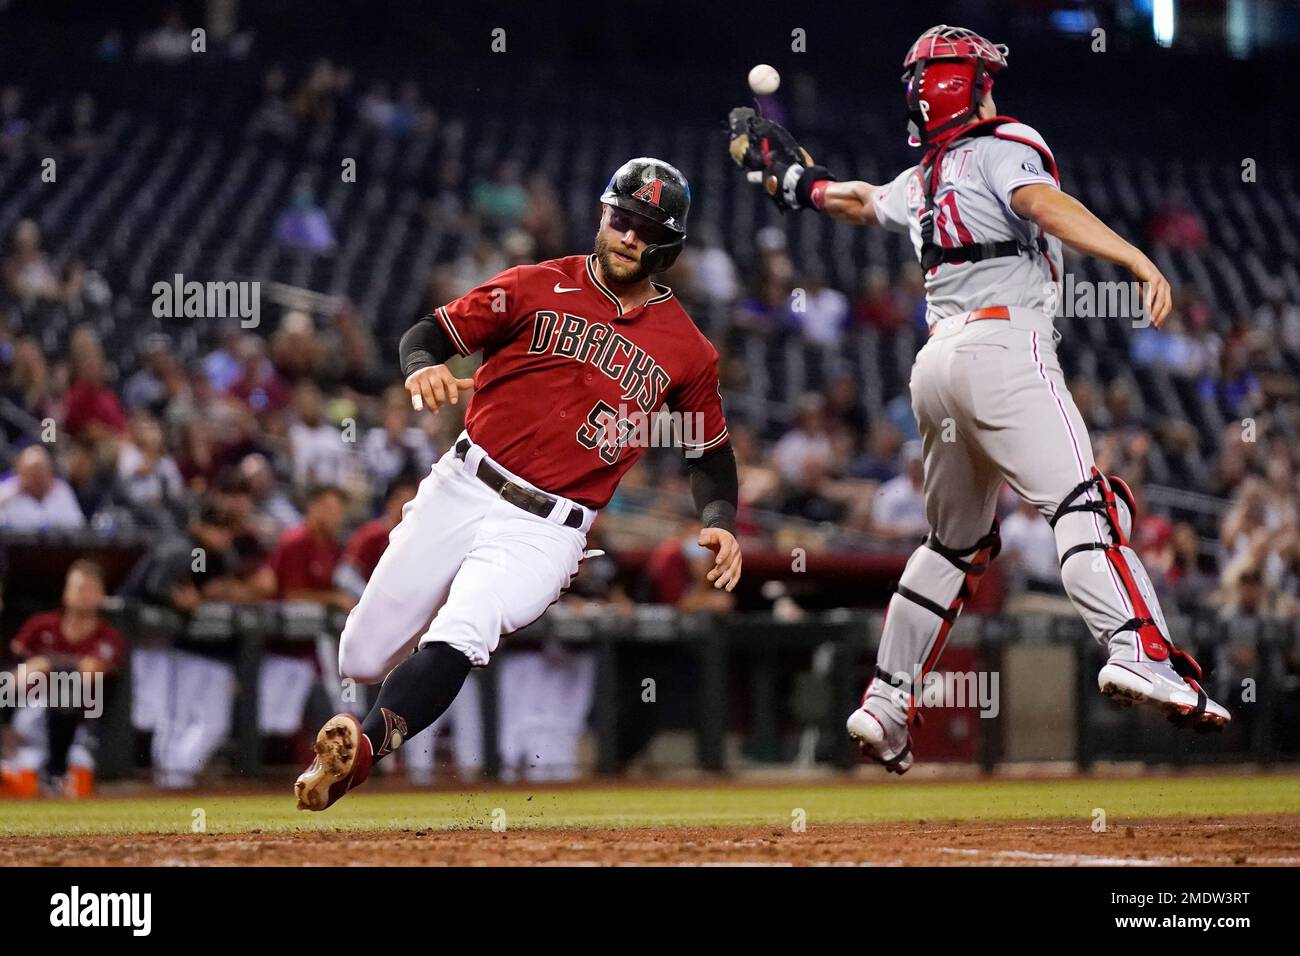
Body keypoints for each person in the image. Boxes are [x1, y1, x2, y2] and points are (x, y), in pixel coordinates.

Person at [727, 24, 1228, 774]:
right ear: (974, 85)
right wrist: (1132, 256)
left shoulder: (925, 177)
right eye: (984, 76)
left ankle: (888, 701)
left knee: (952, 545)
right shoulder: (1007, 143)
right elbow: (1042, 204)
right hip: (1006, 348)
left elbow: (858, 200)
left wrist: (796, 184)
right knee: (1086, 507)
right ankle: (1138, 650)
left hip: (936, 368)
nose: (993, 85)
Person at [295, 157, 742, 810]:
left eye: (647, 229)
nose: (629, 236)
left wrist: (722, 518)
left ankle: (360, 752)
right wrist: (422, 366)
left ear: (668, 246)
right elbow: (429, 333)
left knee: (466, 627)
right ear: (602, 215)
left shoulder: (688, 350)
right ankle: (383, 702)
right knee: (360, 655)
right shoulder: (532, 286)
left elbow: (710, 449)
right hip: (463, 483)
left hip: (548, 527)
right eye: (622, 218)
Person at [3, 561, 123, 798]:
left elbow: (90, 674)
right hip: (28, 720)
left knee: (66, 684)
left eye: (89, 589)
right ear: (66, 591)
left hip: (79, 727)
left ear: (101, 595)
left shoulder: (108, 636)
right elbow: (15, 673)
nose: (81, 595)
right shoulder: (41, 624)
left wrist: (49, 662)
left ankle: (56, 771)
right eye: (77, 588)